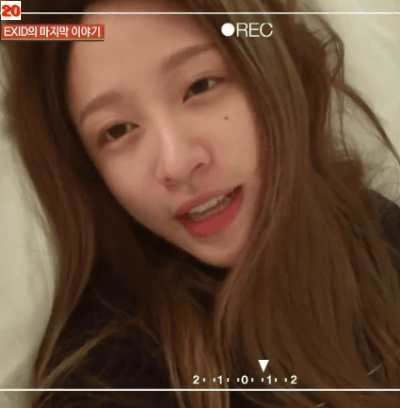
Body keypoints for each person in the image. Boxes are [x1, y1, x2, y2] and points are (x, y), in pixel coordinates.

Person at [2, 0, 400, 407]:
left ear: (269, 70)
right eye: (118, 130)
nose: (177, 164)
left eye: (201, 85)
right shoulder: (112, 368)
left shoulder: (377, 232)